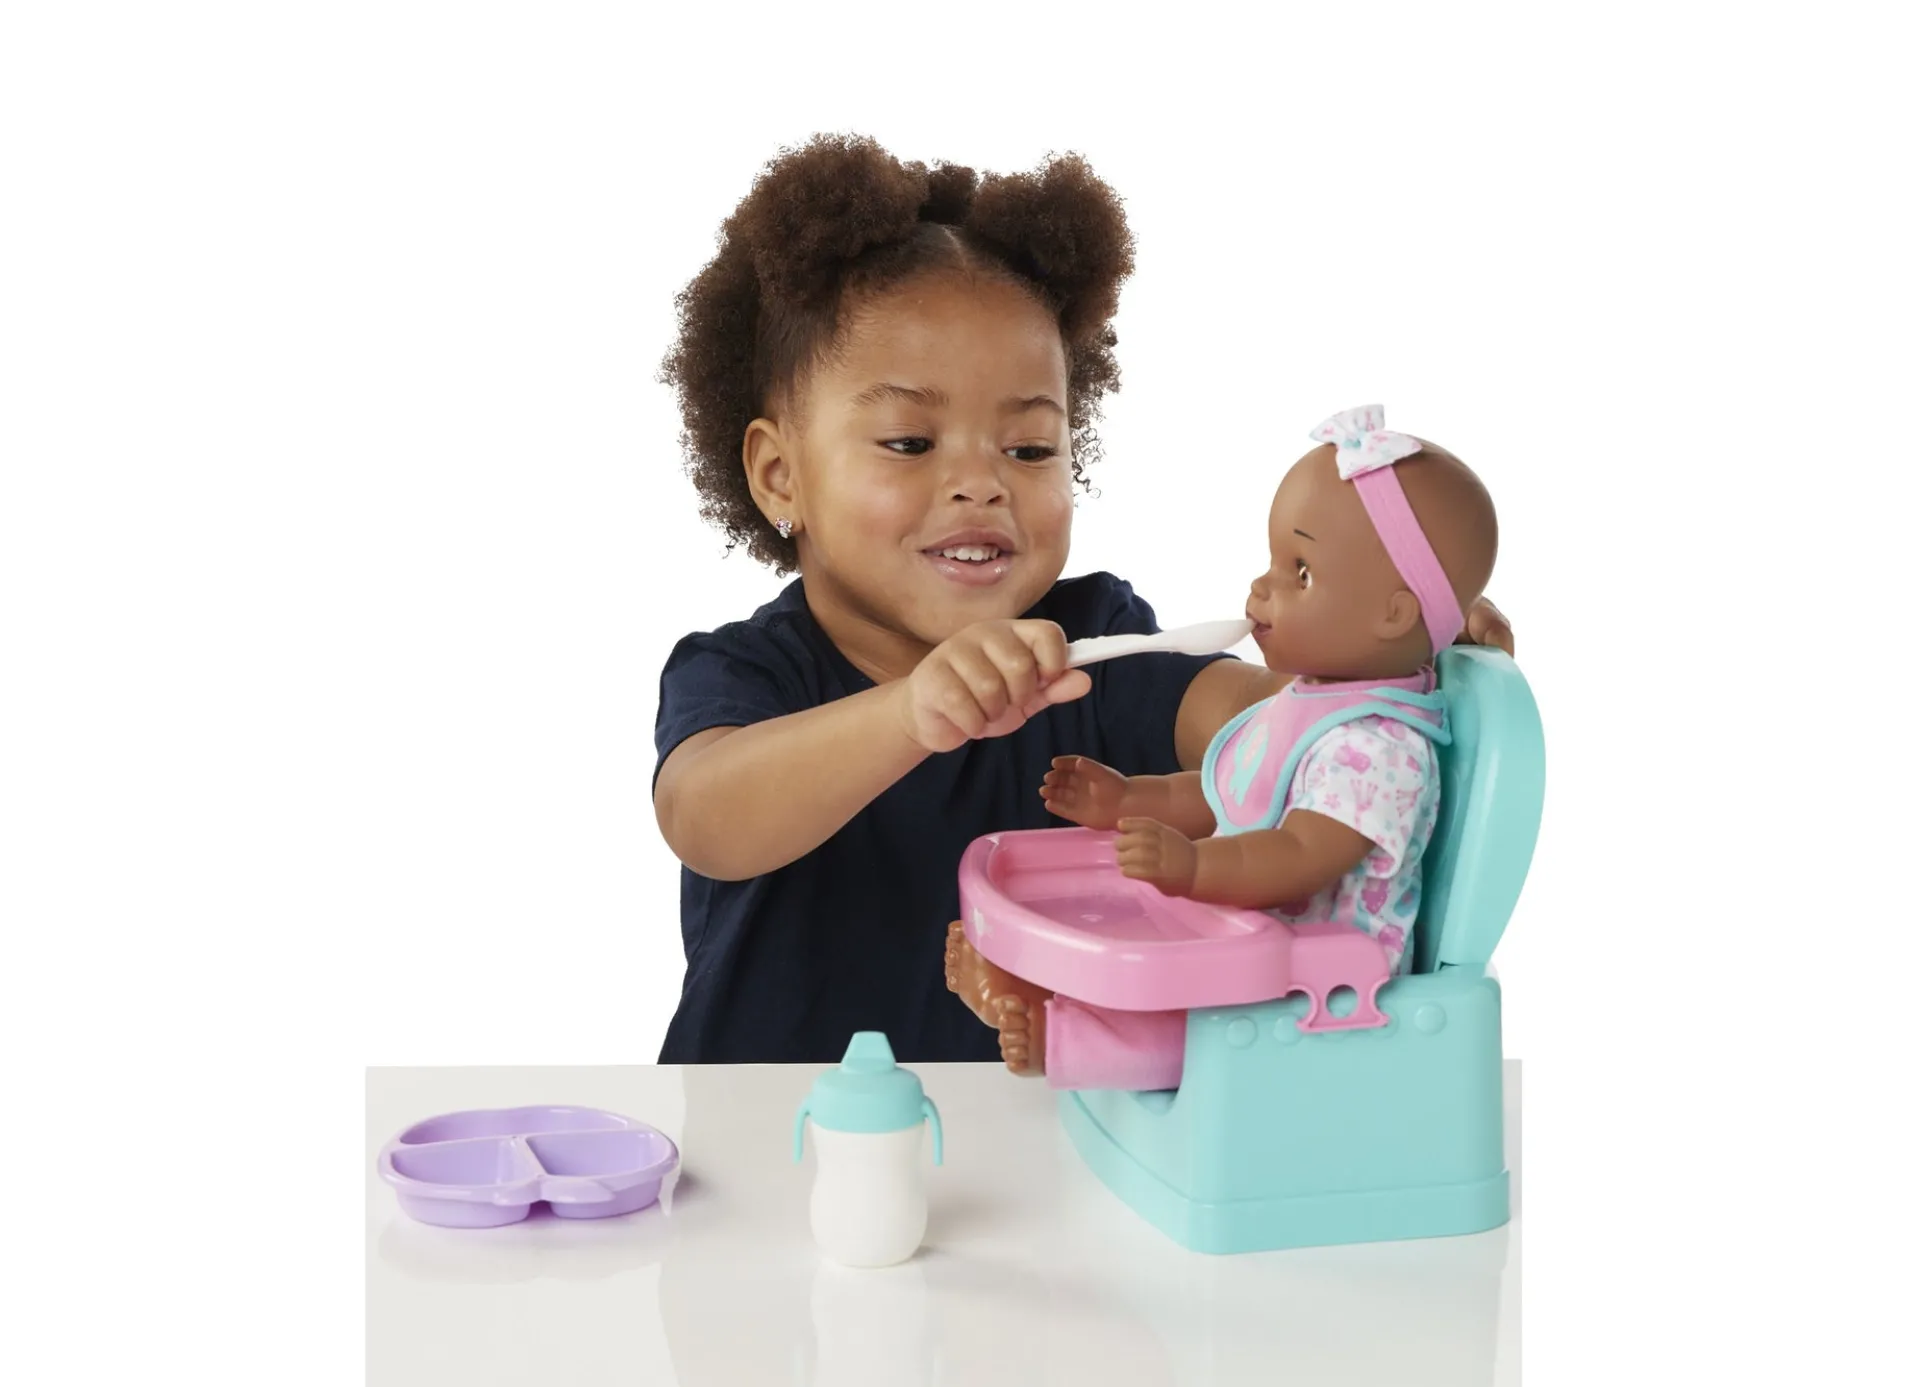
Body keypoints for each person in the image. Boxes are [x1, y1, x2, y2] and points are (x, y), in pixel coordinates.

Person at [651, 135, 1513, 1063]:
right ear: (779, 474)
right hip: (762, 1132)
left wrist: (1386, 659)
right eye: (910, 443)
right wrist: (911, 712)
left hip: (1048, 1139)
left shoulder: (1096, 643)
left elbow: (1283, 727)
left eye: (1028, 449)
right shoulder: (744, 672)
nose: (982, 483)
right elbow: (706, 820)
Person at [947, 406, 1498, 1088]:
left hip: (1318, 986)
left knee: (1192, 1036)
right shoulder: (1308, 702)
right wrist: (1128, 799)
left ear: (1394, 613)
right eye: (1272, 561)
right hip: (1250, 935)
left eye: (1300, 571)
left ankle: (1059, 1039)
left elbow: (1298, 856)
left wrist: (1194, 866)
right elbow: (1224, 791)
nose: (1262, 586)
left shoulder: (1379, 747)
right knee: (1145, 960)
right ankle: (1030, 985)